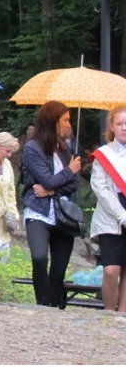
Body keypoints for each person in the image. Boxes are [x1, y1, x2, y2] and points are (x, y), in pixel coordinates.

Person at [21, 100, 81, 309]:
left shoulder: (65, 149)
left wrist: (52, 190)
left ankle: (56, 308)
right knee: (39, 257)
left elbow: (73, 184)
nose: (68, 125)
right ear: (51, 121)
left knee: (59, 268)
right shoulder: (32, 148)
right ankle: (43, 305)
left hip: (63, 213)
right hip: (39, 211)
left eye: (69, 120)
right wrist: (69, 171)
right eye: (64, 120)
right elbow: (47, 179)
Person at [86, 105, 126, 312]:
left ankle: (123, 316)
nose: (124, 128)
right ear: (111, 126)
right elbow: (100, 188)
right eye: (119, 124)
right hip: (112, 216)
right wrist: (120, 213)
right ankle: (110, 313)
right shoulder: (104, 155)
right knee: (111, 270)